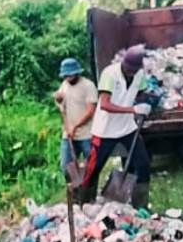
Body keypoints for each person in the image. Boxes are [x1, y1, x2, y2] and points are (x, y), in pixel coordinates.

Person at [80, 46, 152, 207]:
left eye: (133, 70)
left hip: (127, 128)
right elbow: (104, 104)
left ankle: (140, 206)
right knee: (94, 167)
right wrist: (132, 109)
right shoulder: (109, 74)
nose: (129, 72)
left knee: (143, 164)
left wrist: (145, 103)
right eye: (127, 68)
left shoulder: (139, 74)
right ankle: (83, 202)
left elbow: (140, 93)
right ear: (123, 63)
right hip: (104, 130)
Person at [53, 58, 98, 174]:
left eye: (70, 75)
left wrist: (75, 126)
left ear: (77, 72)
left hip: (87, 134)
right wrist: (67, 127)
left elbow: (90, 111)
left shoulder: (88, 86)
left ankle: (90, 190)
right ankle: (73, 190)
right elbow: (62, 109)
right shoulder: (64, 85)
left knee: (92, 167)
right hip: (68, 134)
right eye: (65, 76)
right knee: (66, 168)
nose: (68, 78)